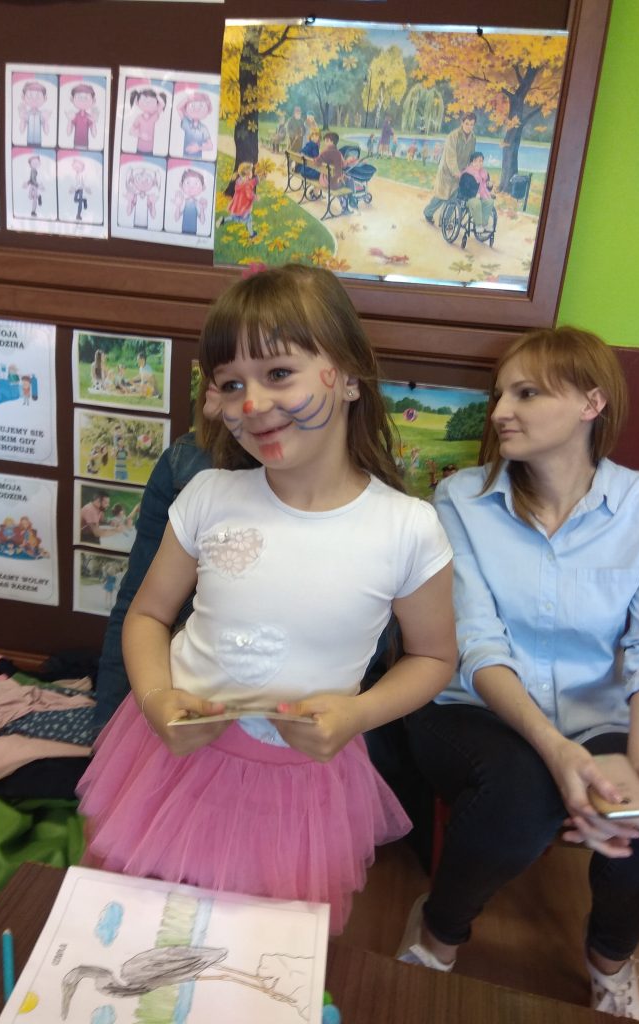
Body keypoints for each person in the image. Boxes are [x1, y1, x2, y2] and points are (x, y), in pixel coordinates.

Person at [78, 264, 457, 932]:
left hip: (297, 787)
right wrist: (157, 698)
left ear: (348, 376)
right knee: (135, 925)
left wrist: (359, 713)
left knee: (255, 942)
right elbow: (147, 614)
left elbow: (433, 657)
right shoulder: (208, 497)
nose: (251, 404)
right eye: (231, 384)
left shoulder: (408, 529)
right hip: (170, 759)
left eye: (279, 373)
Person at [400, 327, 639, 1020]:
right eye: (499, 395)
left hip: (598, 711)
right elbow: (478, 645)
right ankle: (436, 937)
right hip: (473, 707)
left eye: (526, 393)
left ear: (591, 404)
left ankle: (609, 963)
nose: (499, 412)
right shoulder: (460, 500)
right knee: (522, 798)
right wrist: (556, 750)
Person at [423, 112, 476, 225]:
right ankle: (428, 212)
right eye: (467, 124)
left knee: (454, 198)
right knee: (441, 196)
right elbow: (450, 156)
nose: (469, 127)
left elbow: (471, 157)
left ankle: (445, 221)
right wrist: (456, 171)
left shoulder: (473, 138)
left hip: (461, 173)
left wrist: (470, 171)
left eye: (472, 124)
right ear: (462, 123)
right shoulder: (453, 136)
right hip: (447, 171)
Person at [461, 152, 495, 236]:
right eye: (476, 161)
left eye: (481, 161)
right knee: (476, 202)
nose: (479, 163)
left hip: (481, 197)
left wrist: (489, 185)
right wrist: (474, 194)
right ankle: (478, 225)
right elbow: (464, 189)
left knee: (490, 201)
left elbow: (487, 188)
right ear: (471, 162)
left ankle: (484, 224)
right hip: (467, 198)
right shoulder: (467, 173)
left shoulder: (484, 173)